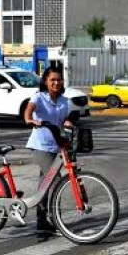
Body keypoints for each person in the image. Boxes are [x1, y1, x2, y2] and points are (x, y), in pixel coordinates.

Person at [23, 67, 73, 237]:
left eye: (59, 79)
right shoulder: (39, 97)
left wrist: (67, 123)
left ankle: (41, 221)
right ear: (46, 81)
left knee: (44, 184)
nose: (56, 82)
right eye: (52, 80)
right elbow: (28, 110)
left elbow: (64, 118)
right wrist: (30, 119)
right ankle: (53, 218)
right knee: (55, 181)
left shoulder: (64, 101)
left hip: (57, 146)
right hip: (40, 146)